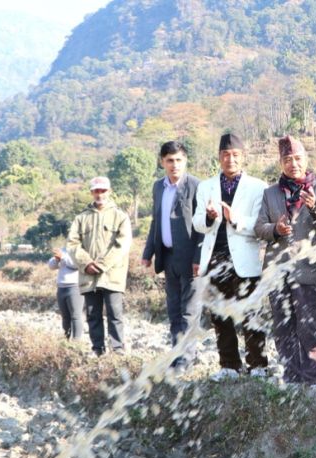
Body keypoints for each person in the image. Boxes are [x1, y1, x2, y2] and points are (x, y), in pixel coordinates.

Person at [255, 136, 316, 384]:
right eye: (288, 159)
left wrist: (315, 208)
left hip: (308, 269)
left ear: (306, 160)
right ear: (281, 162)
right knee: (283, 326)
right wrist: (276, 229)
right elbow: (259, 227)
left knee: (309, 325)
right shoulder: (270, 193)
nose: (294, 164)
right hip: (277, 270)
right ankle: (291, 376)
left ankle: (313, 378)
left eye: (298, 159)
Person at [193, 133, 268, 376]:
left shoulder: (258, 187)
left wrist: (234, 219)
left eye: (235, 155)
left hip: (245, 259)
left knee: (251, 313)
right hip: (215, 258)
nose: (230, 159)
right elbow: (197, 224)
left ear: (243, 156)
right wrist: (209, 218)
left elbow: (259, 225)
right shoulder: (205, 187)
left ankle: (258, 364)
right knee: (219, 315)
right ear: (219, 157)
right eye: (225, 155)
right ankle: (229, 365)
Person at [141, 141, 201, 356]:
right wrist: (148, 253)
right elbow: (155, 221)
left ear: (185, 161)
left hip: (190, 259)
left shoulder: (196, 186)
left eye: (178, 160)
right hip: (167, 257)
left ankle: (187, 358)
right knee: (174, 309)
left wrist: (199, 257)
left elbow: (204, 227)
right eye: (169, 160)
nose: (174, 165)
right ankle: (177, 355)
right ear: (162, 162)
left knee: (189, 311)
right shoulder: (159, 187)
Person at [67, 176, 132, 356]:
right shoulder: (81, 218)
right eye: (96, 191)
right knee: (92, 314)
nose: (100, 194)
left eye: (103, 190)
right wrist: (86, 263)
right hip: (89, 275)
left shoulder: (120, 216)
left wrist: (102, 265)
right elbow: (72, 244)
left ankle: (117, 350)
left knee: (115, 313)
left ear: (109, 191)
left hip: (113, 274)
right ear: (91, 192)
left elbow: (123, 244)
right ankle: (97, 349)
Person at [48, 246, 83, 340]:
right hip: (61, 287)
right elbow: (51, 266)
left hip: (75, 286)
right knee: (65, 316)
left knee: (76, 316)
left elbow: (77, 264)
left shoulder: (80, 249)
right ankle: (65, 340)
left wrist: (62, 257)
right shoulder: (63, 249)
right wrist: (56, 259)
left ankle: (76, 341)